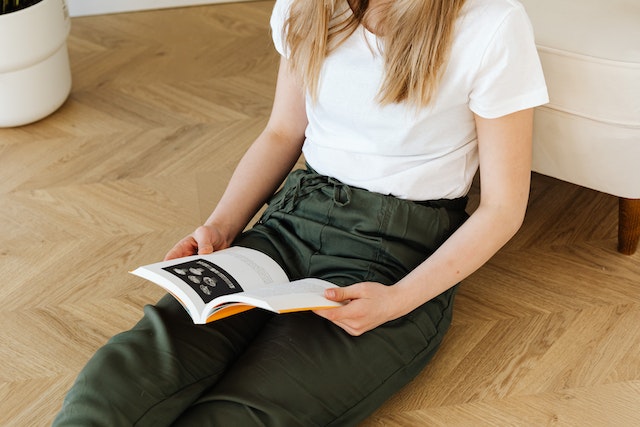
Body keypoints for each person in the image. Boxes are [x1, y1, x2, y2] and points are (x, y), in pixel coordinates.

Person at [53, 0, 548, 425]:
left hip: (399, 258)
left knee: (250, 413)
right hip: (288, 222)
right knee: (125, 374)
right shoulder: (308, 6)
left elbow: (503, 208)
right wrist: (222, 226)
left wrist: (397, 301)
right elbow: (283, 132)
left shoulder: (492, 25)